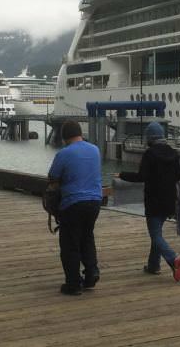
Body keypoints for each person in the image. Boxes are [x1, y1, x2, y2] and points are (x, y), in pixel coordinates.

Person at [118, 122, 180, 282]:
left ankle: (173, 257)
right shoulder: (173, 153)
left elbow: (142, 176)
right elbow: (179, 174)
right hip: (169, 201)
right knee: (157, 233)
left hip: (154, 201)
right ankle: (153, 265)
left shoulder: (150, 154)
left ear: (150, 138)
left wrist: (122, 175)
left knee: (155, 236)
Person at [48, 120, 103, 295]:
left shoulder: (64, 154)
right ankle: (91, 274)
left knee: (70, 243)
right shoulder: (95, 150)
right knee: (87, 236)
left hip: (73, 203)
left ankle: (73, 283)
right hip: (95, 201)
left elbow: (53, 178)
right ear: (80, 133)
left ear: (64, 137)